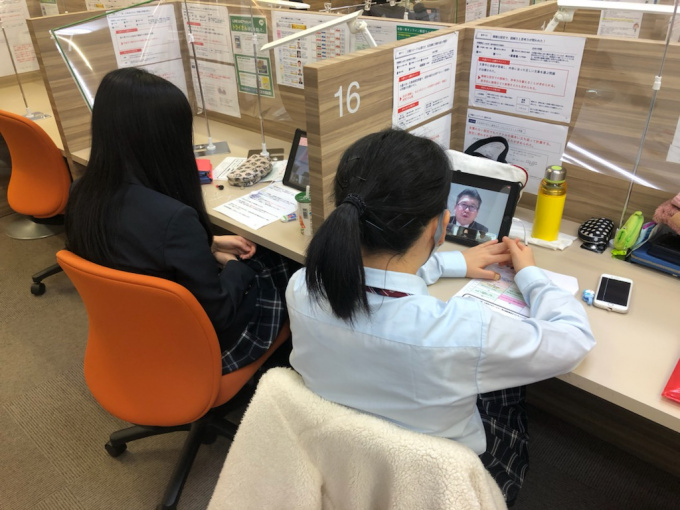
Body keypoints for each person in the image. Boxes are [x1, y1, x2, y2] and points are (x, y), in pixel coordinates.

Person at [285, 129, 595, 505]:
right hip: (443, 483)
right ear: (441, 225)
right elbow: (574, 339)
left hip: (340, 464)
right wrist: (531, 274)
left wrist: (451, 262)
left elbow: (383, 277)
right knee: (508, 388)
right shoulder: (460, 331)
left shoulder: (302, 286)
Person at [65, 67, 297, 374]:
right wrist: (234, 266)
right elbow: (220, 313)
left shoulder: (81, 192)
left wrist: (209, 244)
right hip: (197, 347)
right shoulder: (174, 218)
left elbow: (137, 248)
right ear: (164, 139)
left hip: (134, 331)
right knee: (280, 264)